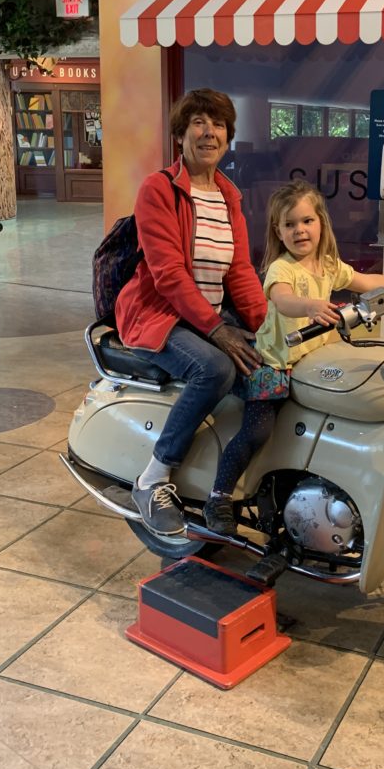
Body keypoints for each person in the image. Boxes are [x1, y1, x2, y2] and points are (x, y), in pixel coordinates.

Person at [202, 179, 384, 536]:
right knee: (257, 431)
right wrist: (310, 306)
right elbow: (283, 299)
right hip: (275, 363)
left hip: (314, 363)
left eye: (307, 220)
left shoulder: (327, 265)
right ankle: (219, 496)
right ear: (278, 231)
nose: (300, 230)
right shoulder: (282, 269)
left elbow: (365, 281)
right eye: (289, 224)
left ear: (321, 222)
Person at [116, 89, 266, 535]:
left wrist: (268, 328)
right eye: (198, 122)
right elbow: (168, 275)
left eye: (218, 124)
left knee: (270, 372)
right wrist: (218, 329)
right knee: (215, 368)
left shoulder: (229, 196)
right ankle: (152, 478)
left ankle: (226, 489)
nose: (209, 132)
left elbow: (239, 270)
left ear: (228, 137)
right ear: (180, 135)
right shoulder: (159, 189)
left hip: (206, 317)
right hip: (157, 316)